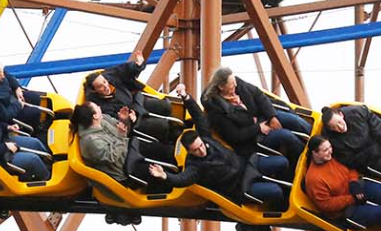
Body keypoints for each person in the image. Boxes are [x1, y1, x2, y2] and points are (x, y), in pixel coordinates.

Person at [146, 91, 291, 207]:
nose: (201, 150)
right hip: (240, 186)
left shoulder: (205, 137)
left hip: (248, 164)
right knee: (275, 191)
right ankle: (280, 203)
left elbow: (198, 117)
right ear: (190, 152)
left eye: (201, 145)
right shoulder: (195, 167)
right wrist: (165, 176)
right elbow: (182, 179)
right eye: (196, 150)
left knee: (282, 162)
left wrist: (186, 97)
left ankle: (287, 182)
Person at [84, 52, 178, 169]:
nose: (106, 86)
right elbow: (114, 122)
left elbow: (124, 70)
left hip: (136, 102)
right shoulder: (100, 107)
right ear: (94, 90)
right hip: (132, 120)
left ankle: (177, 128)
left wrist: (137, 65)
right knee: (161, 126)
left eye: (104, 82)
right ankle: (171, 140)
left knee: (166, 106)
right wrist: (127, 119)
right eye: (100, 86)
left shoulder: (109, 77)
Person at [201, 66, 307, 163]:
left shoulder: (238, 84)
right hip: (254, 135)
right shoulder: (217, 111)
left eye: (234, 81)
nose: (236, 85)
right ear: (221, 87)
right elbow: (234, 136)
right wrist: (258, 128)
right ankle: (308, 155)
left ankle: (318, 138)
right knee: (286, 135)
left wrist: (271, 116)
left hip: (263, 117)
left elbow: (258, 95)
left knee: (293, 120)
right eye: (232, 84)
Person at [303, 134, 381, 227]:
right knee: (379, 213)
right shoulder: (314, 179)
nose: (330, 151)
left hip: (356, 187)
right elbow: (325, 204)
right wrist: (351, 199)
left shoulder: (333, 155)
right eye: (325, 150)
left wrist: (354, 182)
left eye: (330, 147)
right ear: (315, 153)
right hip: (345, 208)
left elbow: (351, 165)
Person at [72, 101, 159, 188]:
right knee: (159, 173)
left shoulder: (103, 118)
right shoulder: (90, 142)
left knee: (162, 150)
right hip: (125, 168)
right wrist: (121, 137)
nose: (99, 106)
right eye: (96, 107)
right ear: (95, 116)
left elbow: (123, 131)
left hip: (130, 148)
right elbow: (111, 156)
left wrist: (124, 120)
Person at [319, 103, 381, 178]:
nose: (340, 127)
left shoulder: (356, 111)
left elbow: (374, 121)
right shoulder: (333, 140)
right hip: (371, 157)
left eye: (339, 122)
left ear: (341, 115)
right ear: (330, 129)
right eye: (335, 127)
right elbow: (350, 161)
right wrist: (374, 151)